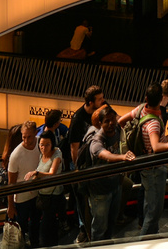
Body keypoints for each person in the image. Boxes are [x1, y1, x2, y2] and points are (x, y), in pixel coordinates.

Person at [132, 83, 168, 235]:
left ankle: (152, 239)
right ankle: (144, 242)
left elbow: (122, 121)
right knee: (154, 212)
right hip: (154, 169)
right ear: (162, 98)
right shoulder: (154, 123)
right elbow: (156, 146)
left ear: (146, 98)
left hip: (145, 166)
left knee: (149, 206)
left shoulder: (140, 109)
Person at [80, 105, 135, 239]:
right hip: (100, 191)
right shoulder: (96, 141)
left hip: (115, 185)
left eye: (112, 120)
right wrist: (123, 157)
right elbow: (106, 155)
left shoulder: (116, 129)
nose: (111, 124)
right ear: (100, 123)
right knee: (99, 227)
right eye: (106, 121)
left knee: (111, 222)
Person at [65, 86, 104, 244]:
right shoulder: (78, 119)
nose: (103, 101)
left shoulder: (101, 107)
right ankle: (83, 229)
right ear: (90, 102)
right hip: (81, 162)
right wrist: (78, 168)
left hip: (95, 159)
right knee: (81, 197)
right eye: (99, 99)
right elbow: (73, 147)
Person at [6, 123, 40, 245]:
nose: (26, 140)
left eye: (29, 137)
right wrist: (10, 205)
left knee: (35, 225)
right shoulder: (16, 155)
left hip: (36, 194)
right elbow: (11, 183)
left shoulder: (40, 143)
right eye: (23, 137)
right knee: (21, 229)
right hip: (21, 199)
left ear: (36, 133)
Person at [33, 130, 65, 246]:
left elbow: (52, 173)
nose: (44, 147)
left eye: (47, 144)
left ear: (52, 144)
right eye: (41, 144)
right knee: (48, 225)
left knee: (46, 227)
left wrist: (37, 174)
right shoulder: (41, 154)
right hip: (43, 196)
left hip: (53, 197)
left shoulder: (57, 154)